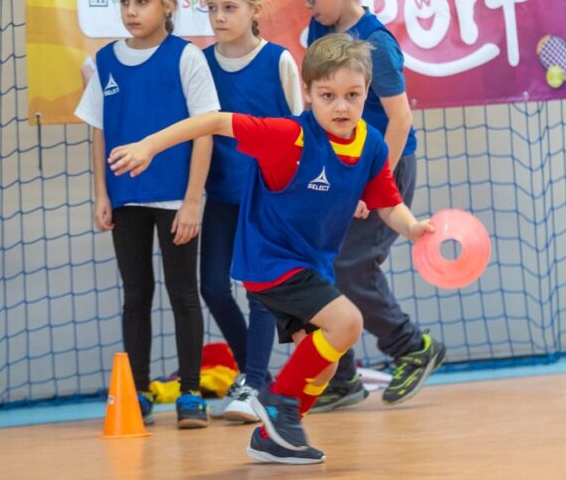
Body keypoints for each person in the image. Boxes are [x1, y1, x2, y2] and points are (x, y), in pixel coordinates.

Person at [107, 34, 434, 464]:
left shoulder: (371, 143)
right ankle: (279, 405)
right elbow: (212, 120)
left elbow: (386, 200)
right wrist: (149, 145)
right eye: (328, 95)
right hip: (270, 261)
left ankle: (273, 436)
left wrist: (412, 228)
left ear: (367, 92)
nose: (340, 106)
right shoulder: (288, 136)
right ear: (309, 92)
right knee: (348, 323)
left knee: (328, 363)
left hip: (312, 266)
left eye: (352, 95)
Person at [294, 0, 446, 411]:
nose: (307, 4)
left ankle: (410, 347)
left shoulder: (376, 45)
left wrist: (368, 181)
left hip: (385, 170)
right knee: (321, 266)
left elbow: (400, 121)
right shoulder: (319, 35)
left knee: (350, 266)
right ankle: (342, 377)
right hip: (341, 173)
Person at [74, 0, 218, 429]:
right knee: (135, 294)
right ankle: (136, 389)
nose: (131, 11)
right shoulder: (105, 61)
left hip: (177, 199)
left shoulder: (187, 56)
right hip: (126, 199)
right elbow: (98, 131)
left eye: (142, 1)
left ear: (168, 5)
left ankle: (191, 393)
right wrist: (101, 192)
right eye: (124, 1)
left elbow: (205, 131)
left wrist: (194, 199)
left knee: (183, 293)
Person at [200, 0, 304, 423]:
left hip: (267, 198)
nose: (219, 18)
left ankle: (255, 382)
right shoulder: (199, 63)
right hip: (220, 195)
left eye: (229, 8)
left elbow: (303, 131)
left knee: (260, 291)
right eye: (212, 9)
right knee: (213, 287)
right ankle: (252, 373)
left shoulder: (278, 61)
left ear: (255, 10)